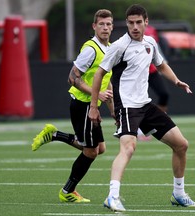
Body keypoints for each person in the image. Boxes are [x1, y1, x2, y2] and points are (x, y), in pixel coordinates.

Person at [89, 4, 195, 212]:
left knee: (181, 145)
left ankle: (178, 194)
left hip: (145, 105)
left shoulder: (150, 42)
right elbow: (99, 74)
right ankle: (112, 196)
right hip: (127, 107)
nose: (134, 27)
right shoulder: (119, 46)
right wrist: (94, 107)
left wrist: (176, 81)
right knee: (129, 148)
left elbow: (160, 65)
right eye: (130, 23)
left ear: (146, 22)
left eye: (138, 22)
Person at [31, 9, 114, 203]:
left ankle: (54, 135)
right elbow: (72, 77)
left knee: (99, 148)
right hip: (82, 105)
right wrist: (97, 95)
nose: (105, 28)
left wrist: (111, 109)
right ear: (94, 26)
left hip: (92, 105)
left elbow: (106, 80)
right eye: (101, 24)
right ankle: (67, 190)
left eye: (108, 24)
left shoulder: (110, 48)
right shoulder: (91, 49)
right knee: (91, 151)